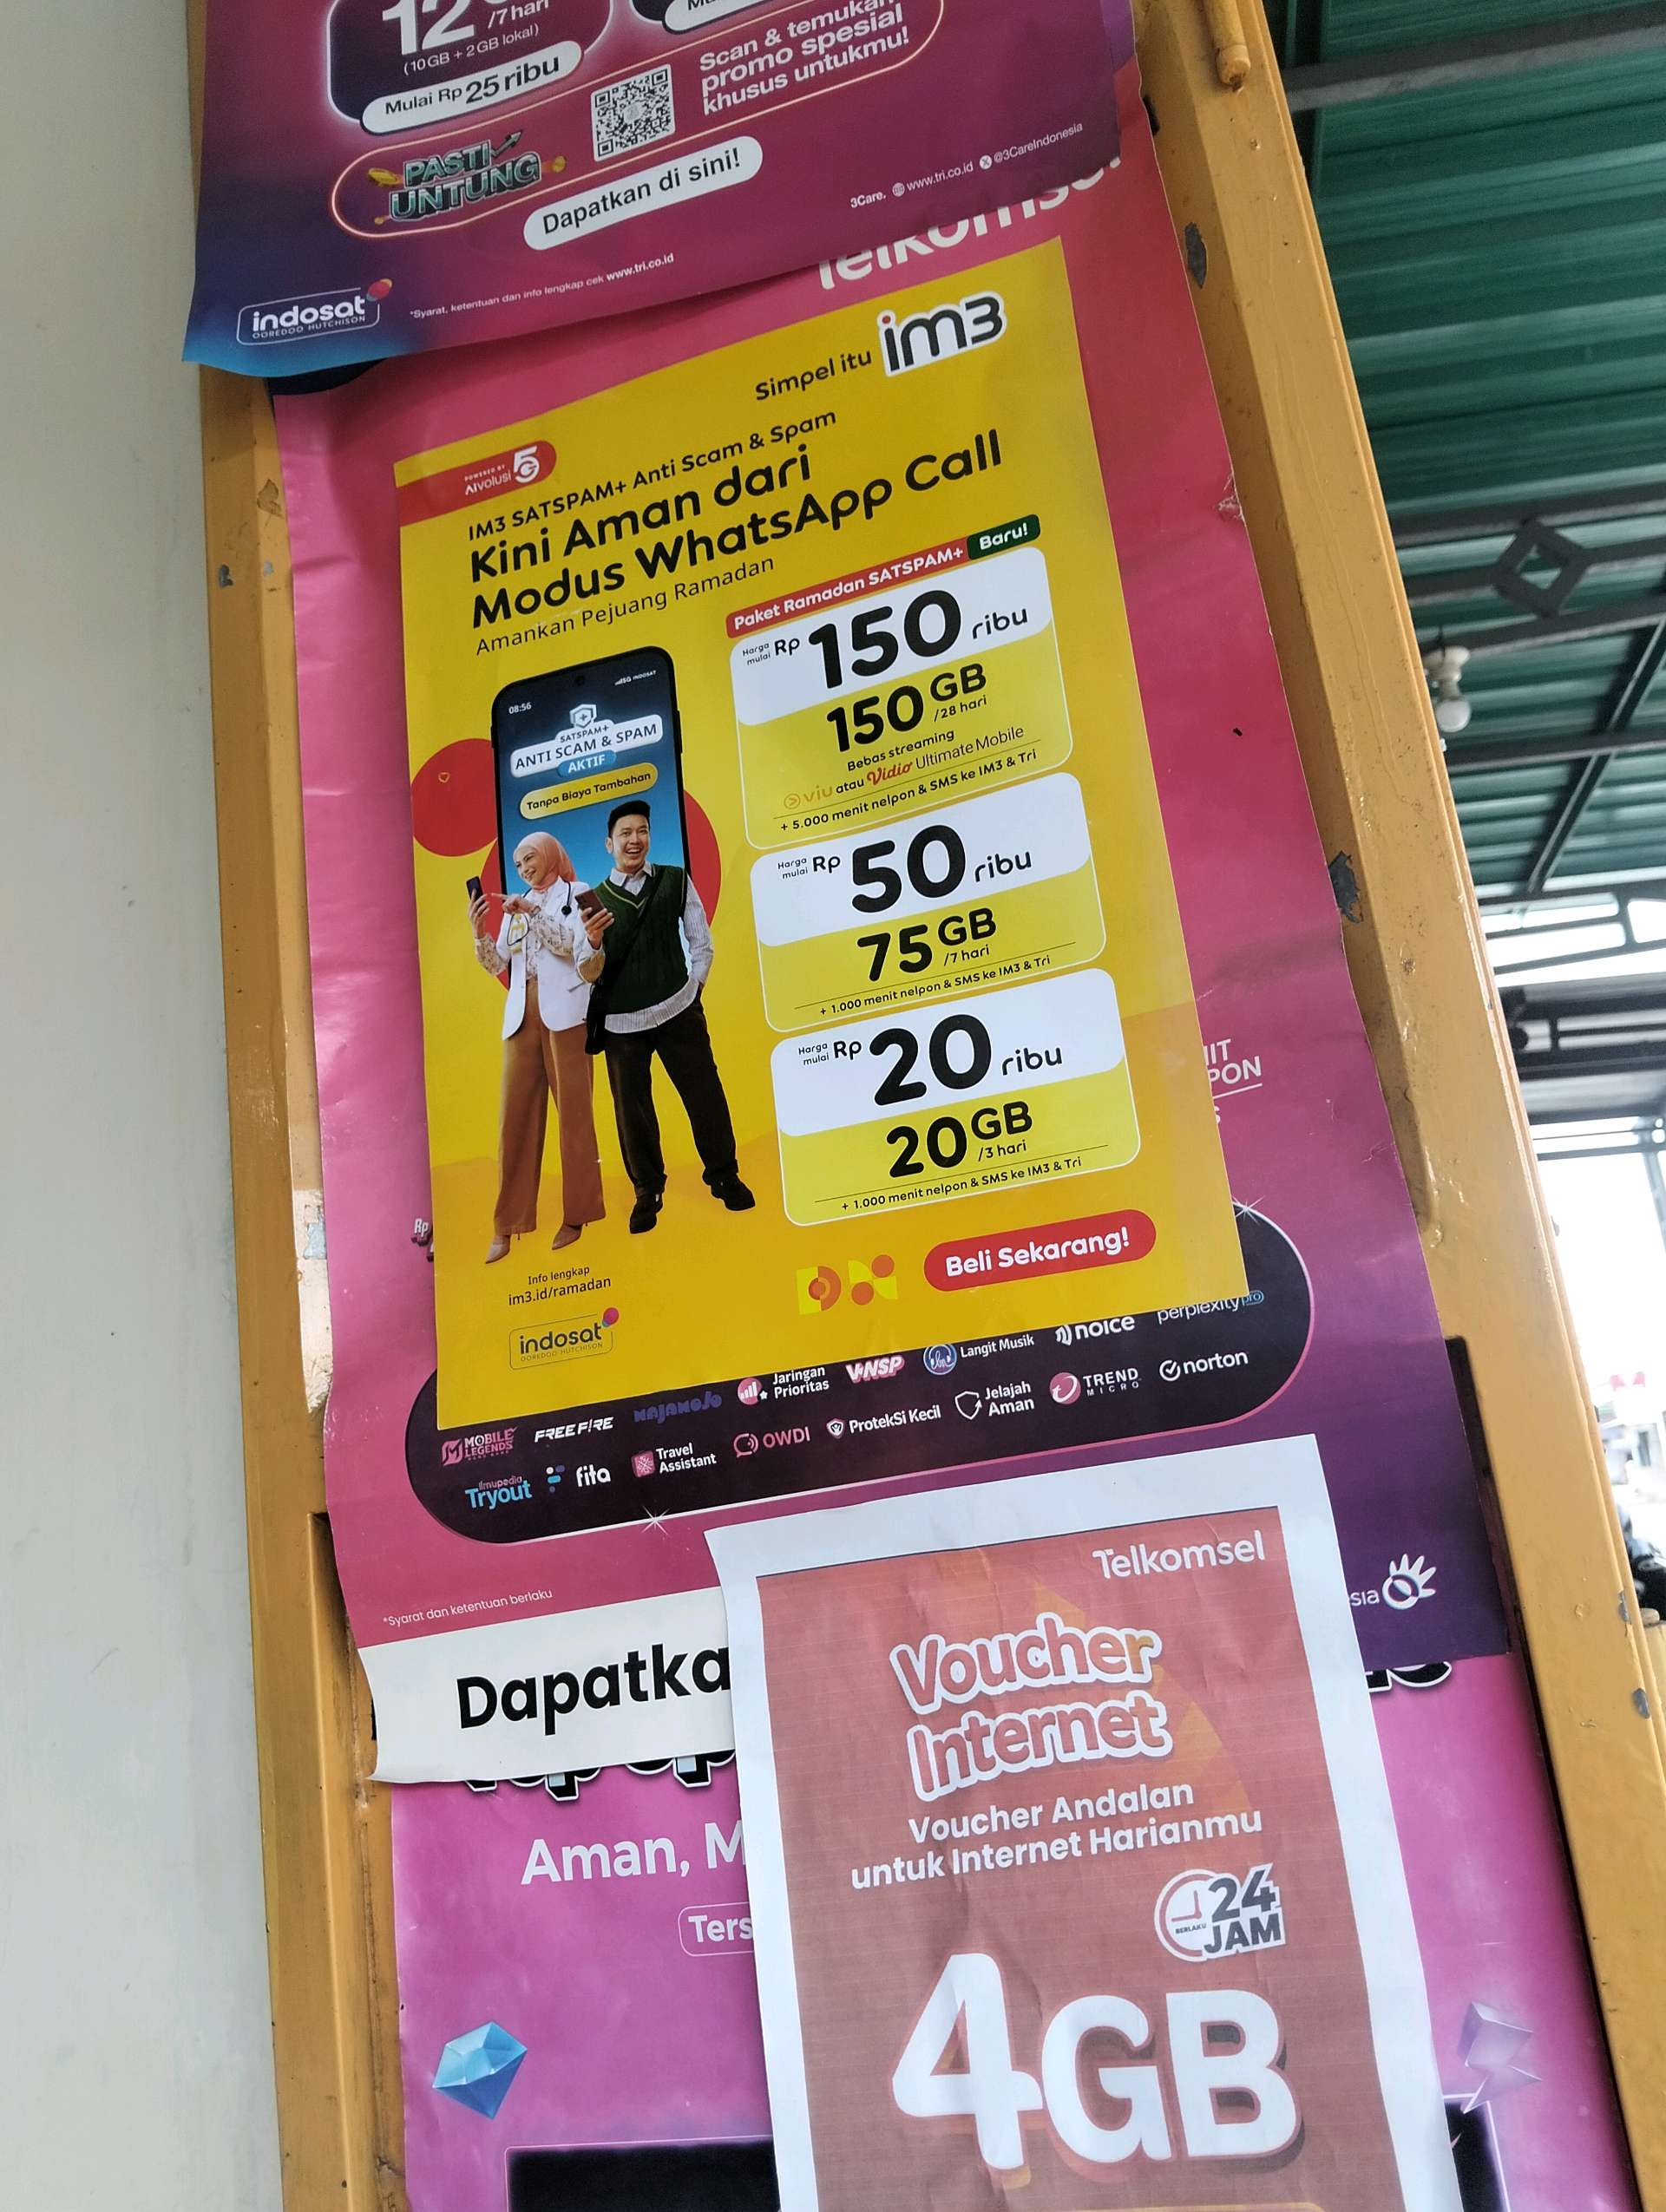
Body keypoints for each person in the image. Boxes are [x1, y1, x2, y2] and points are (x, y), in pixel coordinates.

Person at [585, 801, 753, 1234]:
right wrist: (594, 941)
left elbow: (701, 940)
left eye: (641, 830)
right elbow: (587, 971)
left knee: (705, 1095)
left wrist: (695, 986)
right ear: (608, 844)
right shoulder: (593, 902)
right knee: (633, 1112)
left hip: (679, 1010)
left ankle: (724, 1175)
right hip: (622, 1025)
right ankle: (647, 1191)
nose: (634, 839)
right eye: (625, 833)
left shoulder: (675, 880)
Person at [470, 831, 611, 1261]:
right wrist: (479, 933)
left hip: (566, 1014)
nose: (524, 869)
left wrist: (531, 912)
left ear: (549, 855)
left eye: (530, 858)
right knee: (513, 1120)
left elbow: (572, 947)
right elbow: (498, 964)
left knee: (575, 1117)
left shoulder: (579, 893)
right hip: (521, 1015)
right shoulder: (517, 905)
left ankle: (578, 1215)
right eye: (518, 864)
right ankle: (507, 1224)